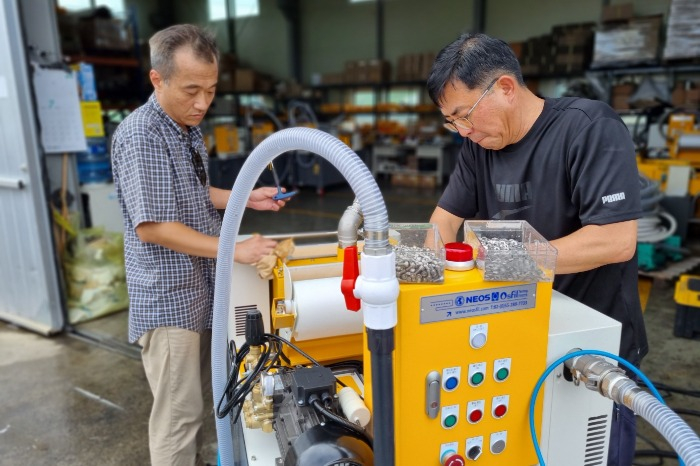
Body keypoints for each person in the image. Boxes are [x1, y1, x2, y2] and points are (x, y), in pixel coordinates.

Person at [426, 33, 647, 466]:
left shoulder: (588, 128)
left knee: (585, 450)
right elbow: (444, 222)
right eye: (451, 123)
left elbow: (616, 239)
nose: (463, 131)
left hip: (591, 346)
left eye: (465, 114)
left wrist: (507, 255)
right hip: (516, 333)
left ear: (506, 87)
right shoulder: (478, 147)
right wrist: (418, 266)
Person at [111, 24, 287, 466]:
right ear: (158, 79)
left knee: (204, 403)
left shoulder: (184, 129)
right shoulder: (143, 135)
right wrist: (236, 250)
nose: (203, 103)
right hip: (170, 300)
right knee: (179, 416)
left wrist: (247, 197)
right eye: (192, 90)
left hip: (199, 289)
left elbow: (192, 194)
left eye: (210, 90)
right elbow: (153, 225)